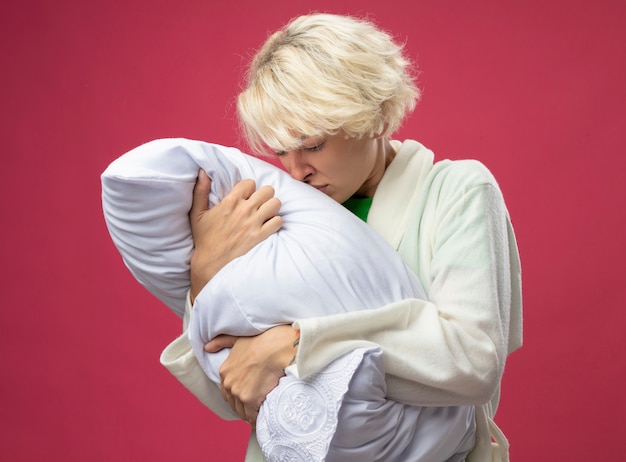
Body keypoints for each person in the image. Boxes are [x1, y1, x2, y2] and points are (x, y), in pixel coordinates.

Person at [182, 13, 522, 461]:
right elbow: (232, 393)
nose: (296, 170)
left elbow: (472, 363)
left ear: (376, 116)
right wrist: (204, 276)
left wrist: (298, 343)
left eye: (314, 143)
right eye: (281, 150)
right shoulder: (277, 213)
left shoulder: (456, 191)